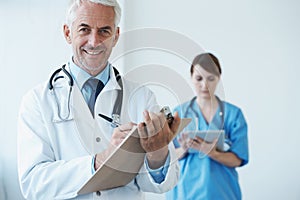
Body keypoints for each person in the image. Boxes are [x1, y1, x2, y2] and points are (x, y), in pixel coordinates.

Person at [17, 0, 181, 199]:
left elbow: (161, 185)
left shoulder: (141, 97)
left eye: (104, 31)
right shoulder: (37, 101)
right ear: (68, 33)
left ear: (116, 36)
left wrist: (157, 153)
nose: (94, 42)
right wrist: (99, 162)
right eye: (84, 30)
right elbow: (33, 184)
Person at [166, 52, 249, 200]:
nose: (204, 85)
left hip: (222, 192)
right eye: (199, 79)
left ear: (218, 79)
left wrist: (212, 152)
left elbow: (238, 159)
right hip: (185, 192)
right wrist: (184, 148)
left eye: (211, 79)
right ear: (191, 77)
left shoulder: (233, 115)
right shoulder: (179, 113)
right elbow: (167, 157)